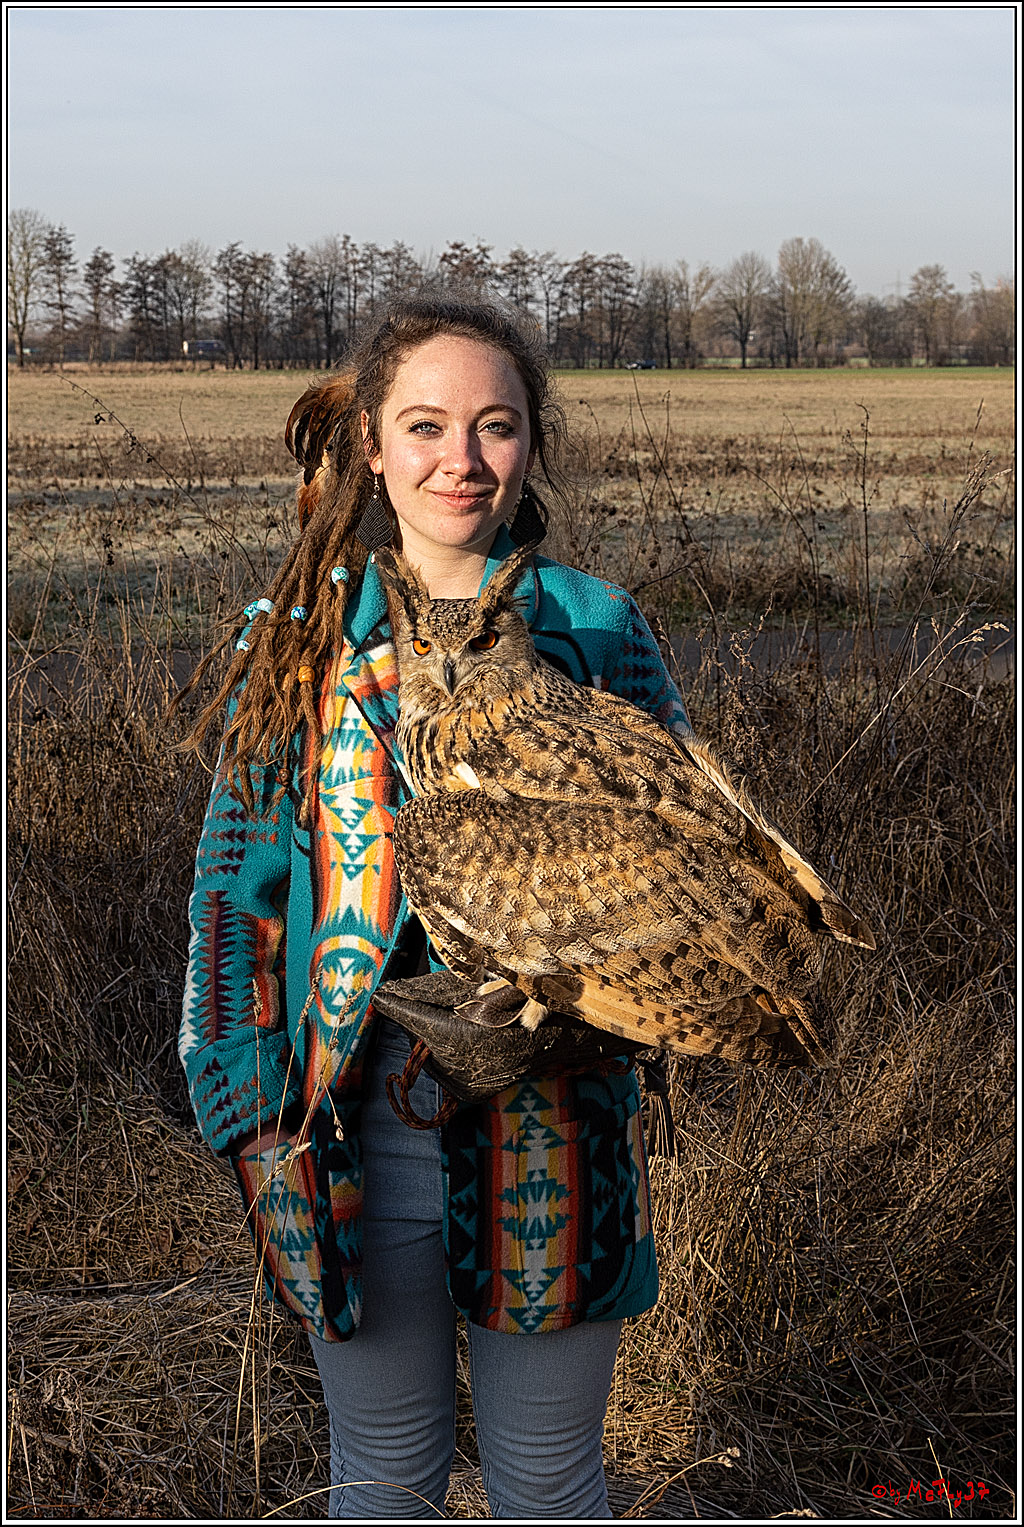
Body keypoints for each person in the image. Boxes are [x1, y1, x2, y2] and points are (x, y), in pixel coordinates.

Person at [179, 295, 692, 1519]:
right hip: (341, 1153)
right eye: (425, 426)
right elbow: (231, 899)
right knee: (381, 1484)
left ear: (530, 445)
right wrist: (254, 1121)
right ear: (369, 444)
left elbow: (685, 880)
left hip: (554, 1146)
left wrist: (612, 1018)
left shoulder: (597, 633)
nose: (460, 461)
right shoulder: (297, 643)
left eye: (496, 427)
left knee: (549, 1485)